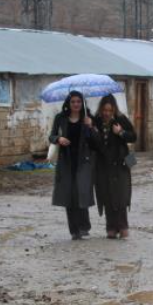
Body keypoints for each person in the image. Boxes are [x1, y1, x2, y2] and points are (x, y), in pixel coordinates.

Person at [49, 91, 99, 240]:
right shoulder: (60, 118)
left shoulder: (88, 118)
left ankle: (84, 226)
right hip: (67, 161)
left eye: (78, 101)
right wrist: (59, 138)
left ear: (82, 103)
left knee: (81, 193)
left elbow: (96, 142)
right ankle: (74, 230)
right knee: (69, 196)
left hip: (84, 161)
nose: (76, 104)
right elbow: (51, 136)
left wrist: (90, 127)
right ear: (68, 103)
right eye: (73, 102)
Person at [92, 94, 137, 239]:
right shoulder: (95, 121)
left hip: (120, 164)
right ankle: (111, 227)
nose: (106, 113)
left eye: (109, 110)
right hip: (103, 164)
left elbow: (133, 136)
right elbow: (90, 142)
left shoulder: (120, 119)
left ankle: (123, 226)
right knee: (106, 195)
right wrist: (90, 129)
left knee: (121, 195)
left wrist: (121, 132)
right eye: (104, 110)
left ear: (114, 110)